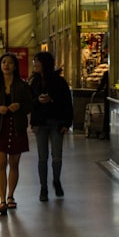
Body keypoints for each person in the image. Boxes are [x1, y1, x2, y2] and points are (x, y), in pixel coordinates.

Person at [0, 53, 32, 214]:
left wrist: (19, 106)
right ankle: (2, 200)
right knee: (0, 163)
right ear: (0, 66)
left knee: (14, 163)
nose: (6, 65)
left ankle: (11, 196)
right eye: (3, 62)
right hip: (0, 127)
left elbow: (29, 105)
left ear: (15, 66)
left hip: (17, 126)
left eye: (10, 63)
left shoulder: (22, 86)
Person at [29, 51, 73, 201]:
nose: (35, 65)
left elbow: (67, 102)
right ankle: (43, 188)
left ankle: (56, 180)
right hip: (40, 124)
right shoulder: (33, 82)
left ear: (45, 64)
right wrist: (37, 101)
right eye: (34, 62)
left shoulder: (59, 82)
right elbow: (29, 102)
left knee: (57, 156)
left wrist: (67, 123)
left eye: (38, 62)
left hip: (56, 122)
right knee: (42, 157)